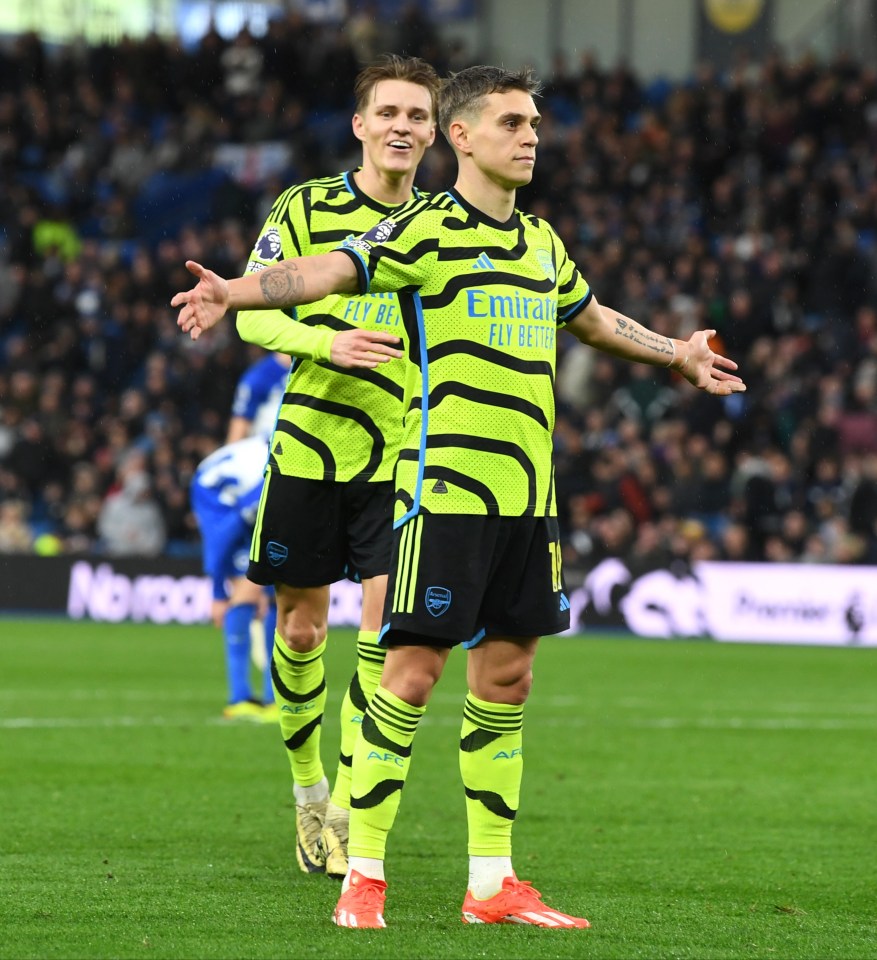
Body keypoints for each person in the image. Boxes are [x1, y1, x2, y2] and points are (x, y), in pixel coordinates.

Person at [173, 65, 746, 929]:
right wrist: (236, 290)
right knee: (406, 673)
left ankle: (492, 885)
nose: (531, 138)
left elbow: (591, 319)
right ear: (464, 136)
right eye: (513, 123)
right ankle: (360, 872)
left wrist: (676, 352)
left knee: (508, 678)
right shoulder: (425, 229)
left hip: (527, 498)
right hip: (438, 490)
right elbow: (328, 270)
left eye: (535, 126)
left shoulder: (542, 242)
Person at [197, 55, 440, 878]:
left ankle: (342, 799)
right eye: (390, 113)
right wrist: (324, 339)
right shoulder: (307, 207)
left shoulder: (441, 223)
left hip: (400, 456)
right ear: (361, 125)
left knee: (386, 629)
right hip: (308, 448)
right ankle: (306, 793)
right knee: (301, 629)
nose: (403, 126)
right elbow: (254, 321)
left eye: (418, 115)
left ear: (434, 133)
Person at [190, 433, 277, 720]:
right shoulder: (271, 474)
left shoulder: (279, 460)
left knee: (268, 588)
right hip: (216, 496)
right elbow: (221, 539)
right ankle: (254, 697)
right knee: (260, 591)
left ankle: (256, 697)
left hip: (233, 489)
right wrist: (217, 592)